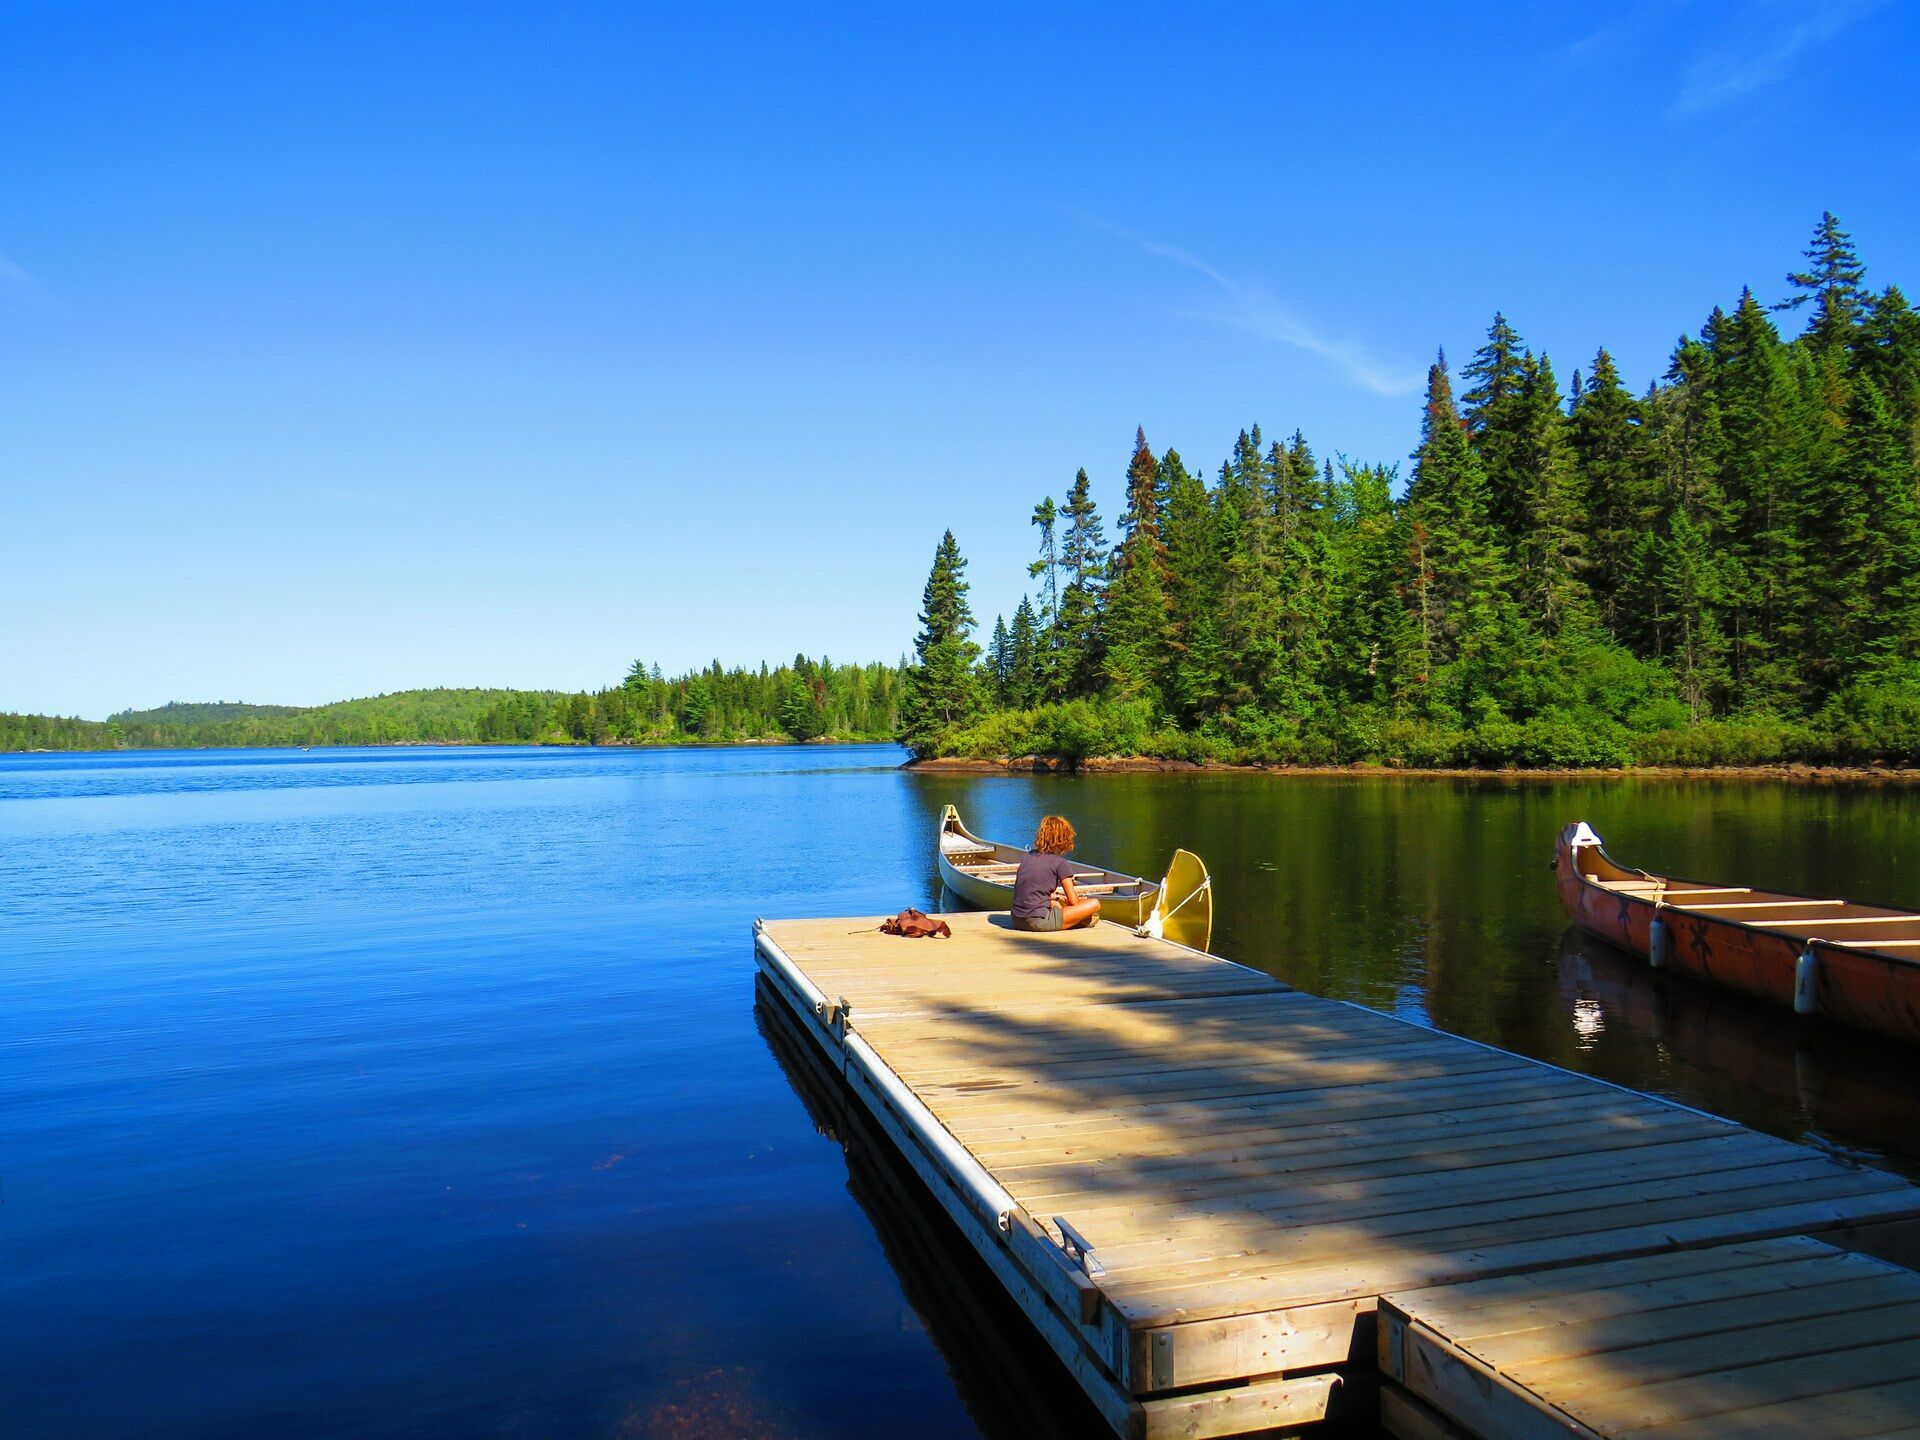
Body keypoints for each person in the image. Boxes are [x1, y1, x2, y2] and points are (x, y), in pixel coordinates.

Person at [1010, 815, 1101, 932]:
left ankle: (1073, 919)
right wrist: (1078, 902)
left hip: (1017, 919)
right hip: (1037, 921)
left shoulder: (1028, 856)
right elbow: (1073, 901)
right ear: (1063, 838)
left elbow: (1031, 892)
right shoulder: (1060, 862)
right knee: (1094, 904)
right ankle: (1078, 920)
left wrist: (1058, 898)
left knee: (1056, 903)